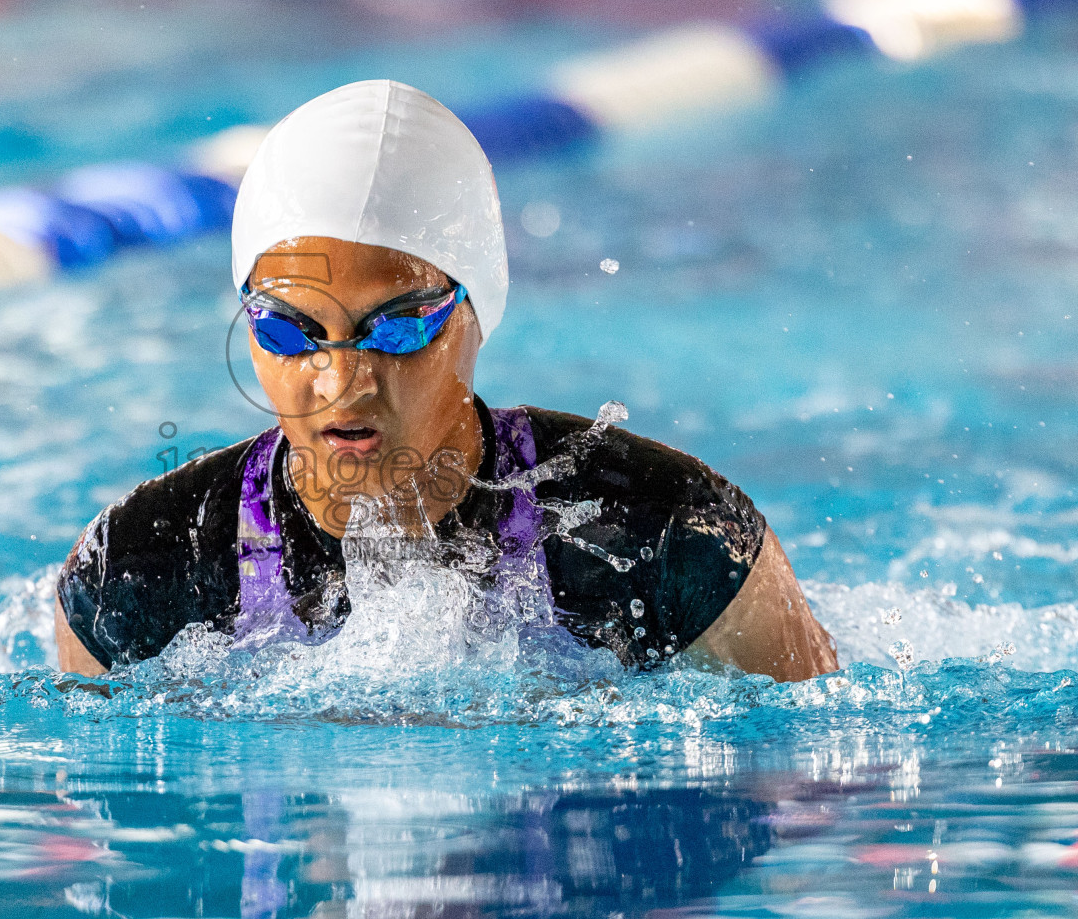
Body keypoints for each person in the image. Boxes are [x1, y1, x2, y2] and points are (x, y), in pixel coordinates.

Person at [52, 79, 837, 682]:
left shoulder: (671, 535)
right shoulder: (138, 569)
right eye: (287, 329)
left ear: (476, 313)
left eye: (397, 328)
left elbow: (814, 786)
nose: (340, 382)